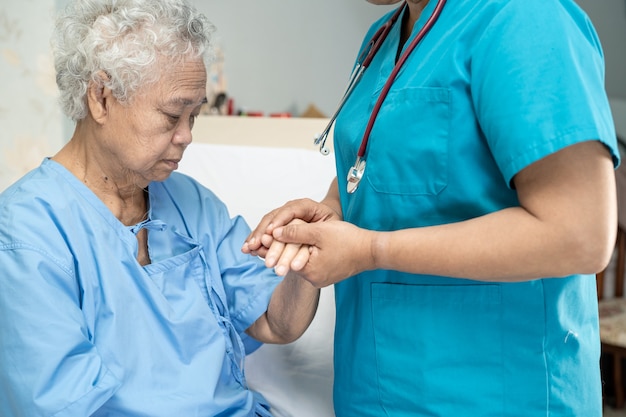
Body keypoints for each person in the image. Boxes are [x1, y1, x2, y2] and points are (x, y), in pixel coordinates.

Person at [242, 0, 620, 415]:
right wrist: (330, 210)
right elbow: (379, 166)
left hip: (495, 394)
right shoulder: (383, 36)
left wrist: (371, 251)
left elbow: (579, 234)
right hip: (374, 390)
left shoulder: (525, 18)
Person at [0, 1, 319, 416]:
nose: (187, 136)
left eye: (194, 115)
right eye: (172, 116)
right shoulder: (28, 234)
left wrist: (307, 264)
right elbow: (60, 405)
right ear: (101, 98)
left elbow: (275, 323)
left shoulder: (193, 202)